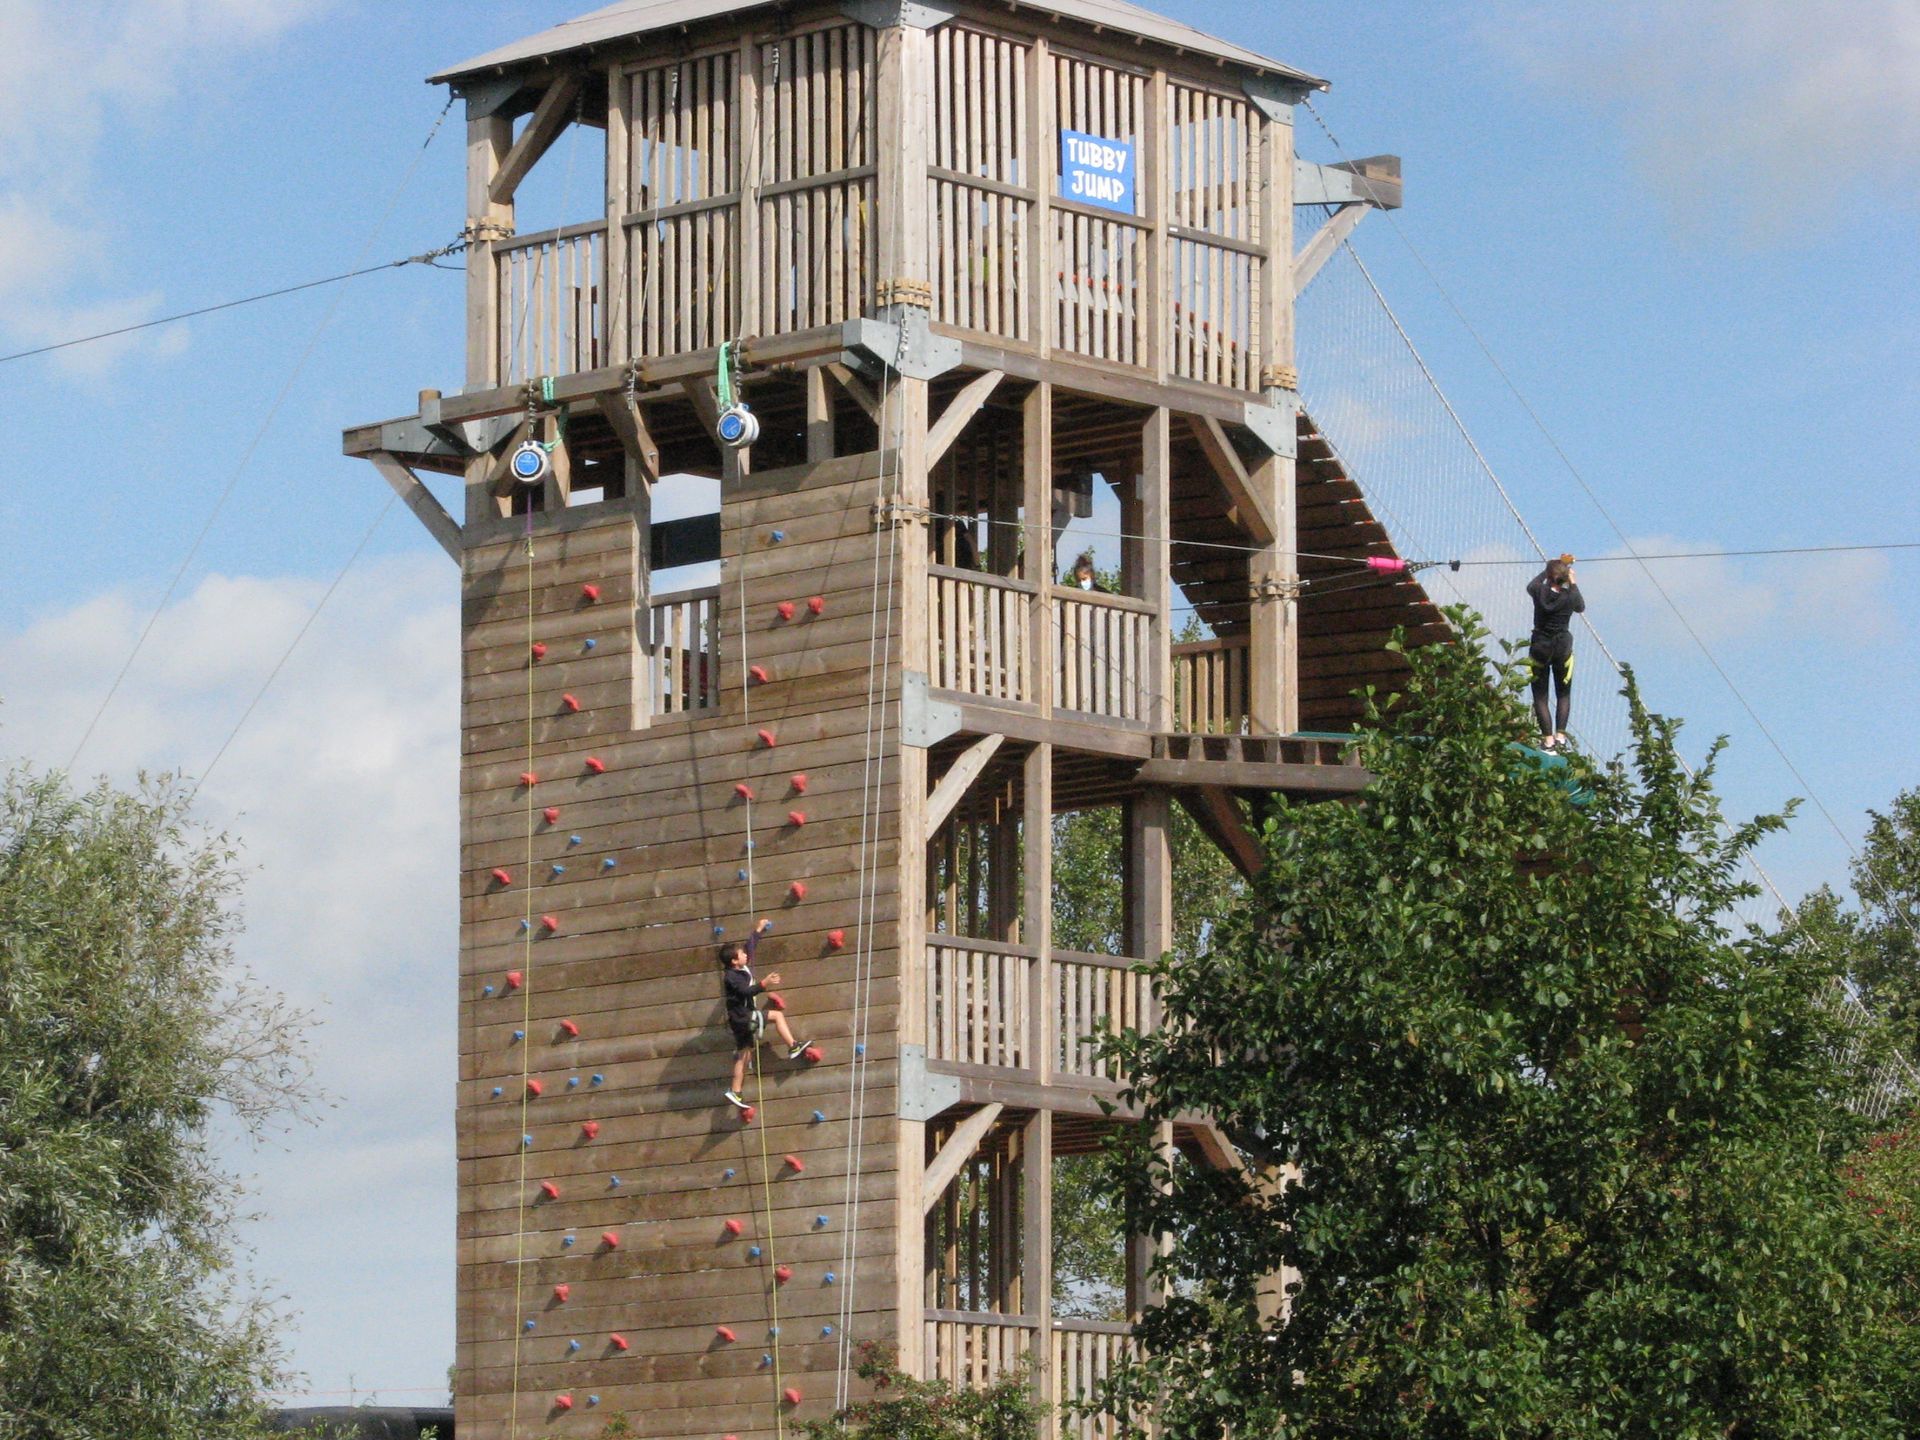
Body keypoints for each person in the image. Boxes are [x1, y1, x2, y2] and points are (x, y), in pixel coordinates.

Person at [719, 918, 810, 1108]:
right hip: (743, 1018)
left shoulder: (739, 967)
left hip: (741, 1019)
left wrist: (758, 930)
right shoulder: (731, 977)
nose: (745, 954)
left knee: (745, 1054)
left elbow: (749, 947)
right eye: (741, 954)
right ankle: (793, 1046)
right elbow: (745, 992)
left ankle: (735, 1091)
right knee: (777, 1015)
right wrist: (764, 984)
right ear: (734, 961)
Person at [1526, 554, 1584, 750]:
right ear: (1565, 578)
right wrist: (1572, 581)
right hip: (1562, 647)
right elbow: (1581, 607)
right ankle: (1560, 737)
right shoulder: (1569, 597)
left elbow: (1531, 584)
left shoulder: (1538, 591)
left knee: (1540, 696)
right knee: (1563, 694)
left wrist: (1549, 568)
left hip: (1540, 646)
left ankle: (1548, 740)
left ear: (1549, 577)